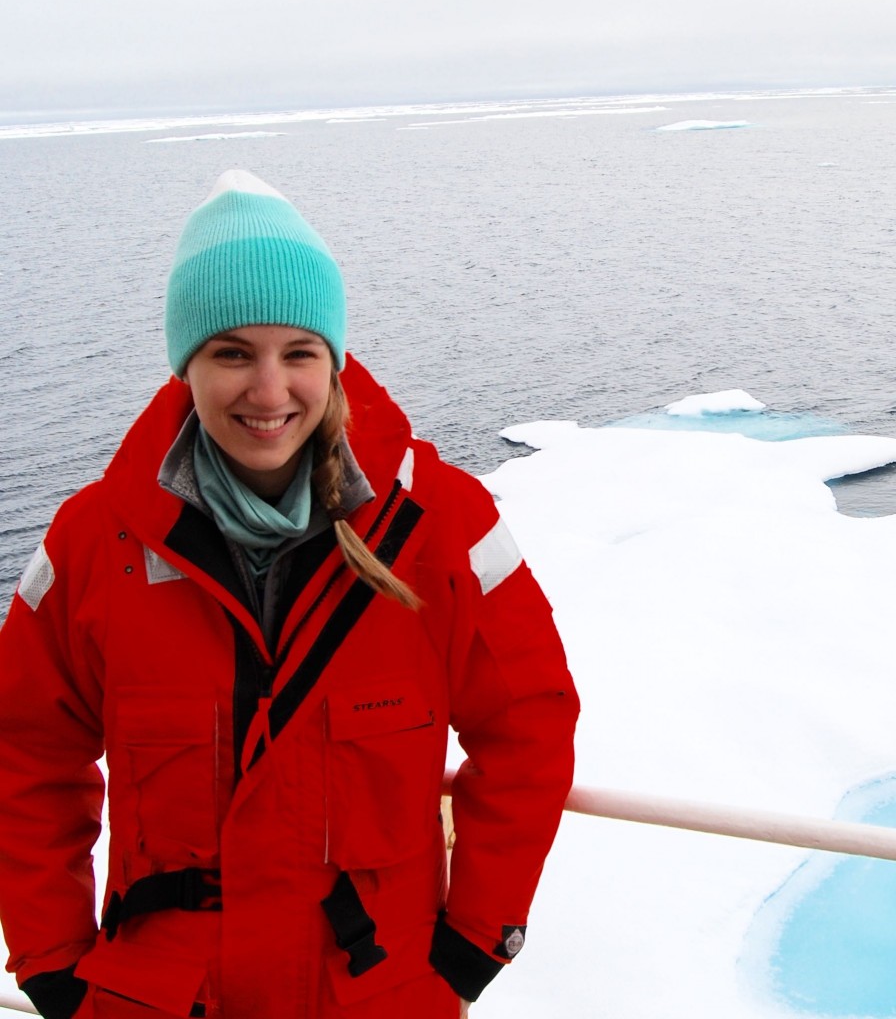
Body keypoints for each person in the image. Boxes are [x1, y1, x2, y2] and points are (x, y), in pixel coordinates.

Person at [0, 170, 579, 1019]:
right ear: (184, 364)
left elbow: (529, 719)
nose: (269, 392)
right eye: (231, 352)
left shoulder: (438, 526)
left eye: (298, 353)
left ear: (333, 360)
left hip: (379, 992)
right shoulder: (95, 543)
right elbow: (25, 751)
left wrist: (470, 946)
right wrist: (52, 961)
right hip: (159, 996)